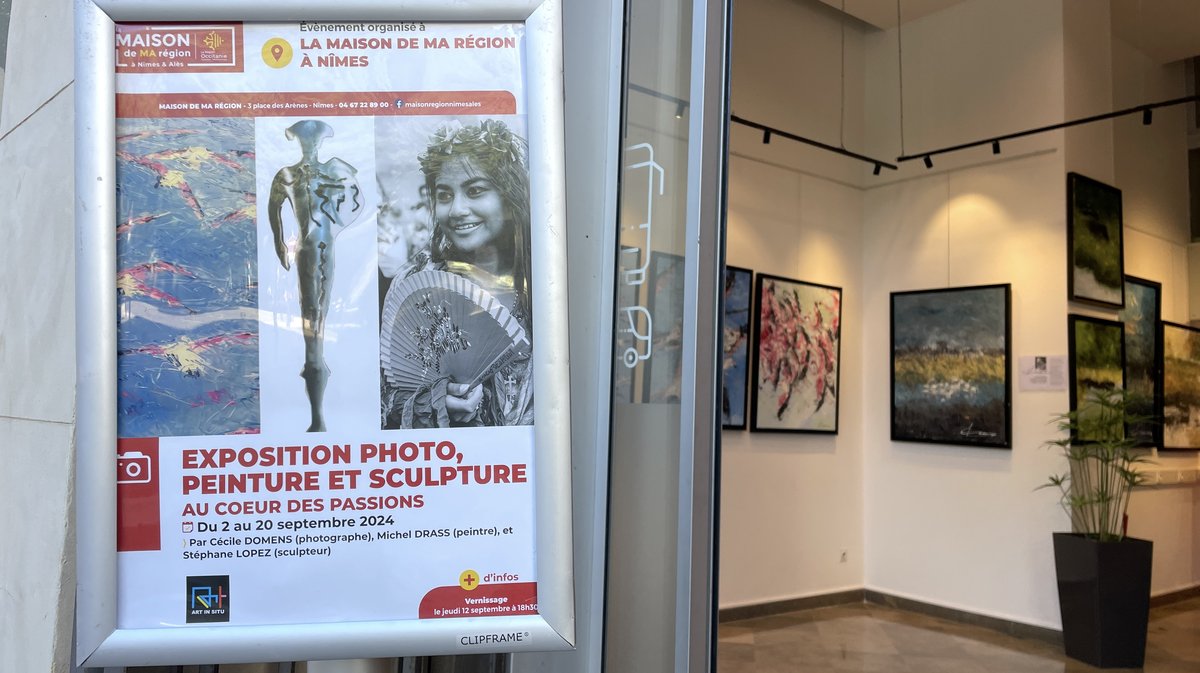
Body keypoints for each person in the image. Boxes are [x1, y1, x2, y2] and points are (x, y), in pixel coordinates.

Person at [381, 119, 533, 428]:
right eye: (445, 195)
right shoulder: (416, 281)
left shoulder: (543, 279)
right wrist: (435, 403)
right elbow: (385, 400)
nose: (457, 209)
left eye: (475, 190)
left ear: (508, 196)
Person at [267, 119, 363, 432]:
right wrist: (280, 242)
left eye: (314, 139)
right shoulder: (287, 175)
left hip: (327, 246)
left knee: (319, 315)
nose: (311, 145)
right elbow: (273, 208)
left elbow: (356, 202)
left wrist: (338, 221)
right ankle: (316, 414)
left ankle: (318, 411)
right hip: (306, 249)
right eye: (306, 139)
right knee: (312, 317)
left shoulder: (333, 170)